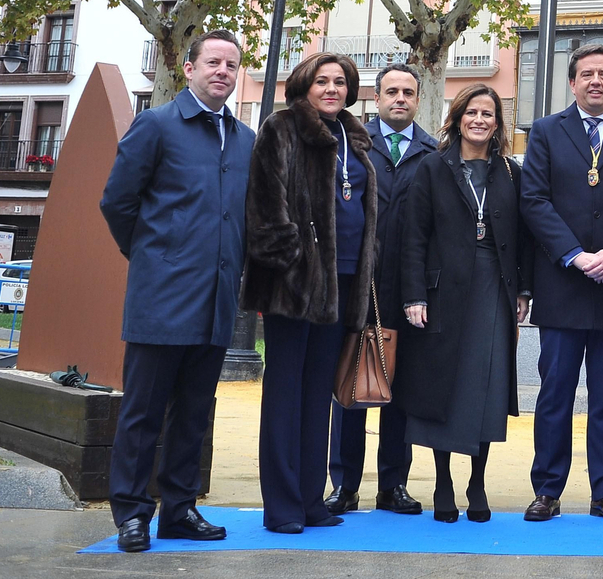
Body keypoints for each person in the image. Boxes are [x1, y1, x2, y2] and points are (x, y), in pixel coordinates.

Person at [100, 31, 254, 553]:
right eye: (213, 62)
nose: (222, 72)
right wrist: (151, 257)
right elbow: (117, 202)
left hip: (216, 298)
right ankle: (132, 513)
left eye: (231, 65)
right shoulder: (157, 125)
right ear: (189, 69)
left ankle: (180, 508)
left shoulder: (244, 138)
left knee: (195, 409)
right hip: (161, 298)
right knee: (143, 411)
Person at [241, 52, 379, 534]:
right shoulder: (281, 127)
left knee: (319, 395)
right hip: (293, 285)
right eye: (322, 81)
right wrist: (292, 262)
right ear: (304, 85)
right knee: (285, 393)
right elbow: (263, 204)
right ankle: (281, 506)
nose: (332, 89)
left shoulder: (355, 137)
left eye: (341, 82)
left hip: (342, 284)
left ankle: (310, 500)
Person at [519, 43, 603, 522]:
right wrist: (574, 255)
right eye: (586, 74)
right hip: (562, 283)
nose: (596, 81)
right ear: (571, 82)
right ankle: (547, 490)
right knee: (554, 394)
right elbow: (533, 200)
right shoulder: (546, 132)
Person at [399, 84, 532, 523]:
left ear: (497, 124)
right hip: (442, 293)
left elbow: (524, 238)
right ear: (457, 119)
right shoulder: (432, 168)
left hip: (494, 288)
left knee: (488, 386)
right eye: (472, 113)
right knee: (445, 384)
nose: (479, 120)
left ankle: (477, 481)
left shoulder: (510, 172)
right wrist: (414, 294)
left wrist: (523, 291)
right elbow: (413, 237)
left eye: (488, 114)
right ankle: (442, 481)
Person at [326, 62, 438, 517]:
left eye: (408, 92)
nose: (400, 99)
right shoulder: (351, 146)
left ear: (418, 97)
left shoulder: (434, 152)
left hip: (410, 289)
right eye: (391, 91)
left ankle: (393, 484)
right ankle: (344, 485)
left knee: (401, 391)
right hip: (358, 284)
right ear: (376, 98)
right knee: (352, 386)